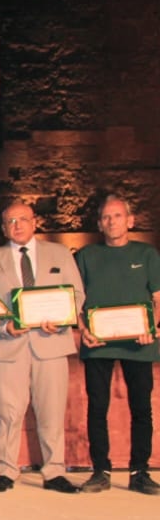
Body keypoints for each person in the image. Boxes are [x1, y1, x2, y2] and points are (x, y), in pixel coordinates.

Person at [0, 201, 84, 494]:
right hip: (9, 345)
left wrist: (62, 321)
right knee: (8, 413)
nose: (17, 225)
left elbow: (76, 294)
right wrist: (4, 327)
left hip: (52, 344)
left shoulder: (60, 253)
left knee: (51, 412)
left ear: (34, 222)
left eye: (22, 219)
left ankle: (54, 471)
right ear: (3, 229)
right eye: (11, 221)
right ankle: (5, 471)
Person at [75, 194, 160, 494]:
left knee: (142, 409)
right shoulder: (86, 256)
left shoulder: (147, 254)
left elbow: (158, 299)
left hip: (139, 342)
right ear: (99, 224)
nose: (112, 222)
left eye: (118, 216)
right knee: (97, 408)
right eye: (106, 217)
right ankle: (101, 471)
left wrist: (153, 327)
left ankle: (140, 472)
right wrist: (83, 329)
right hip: (97, 342)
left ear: (130, 221)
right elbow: (75, 300)